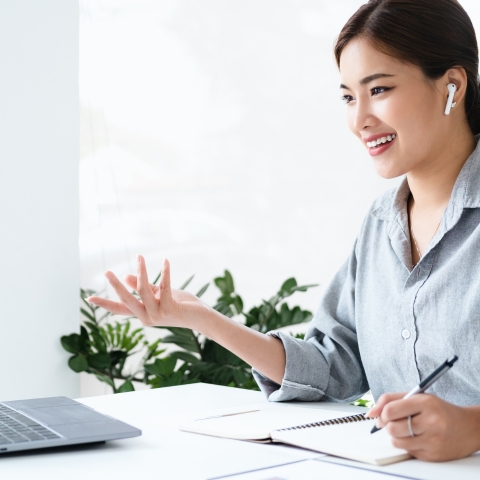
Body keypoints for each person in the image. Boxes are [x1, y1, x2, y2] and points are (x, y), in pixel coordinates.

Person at [87, 0, 480, 462]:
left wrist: (471, 428)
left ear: (452, 86)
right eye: (349, 97)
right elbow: (334, 364)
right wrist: (207, 321)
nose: (359, 121)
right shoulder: (380, 226)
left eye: (379, 89)